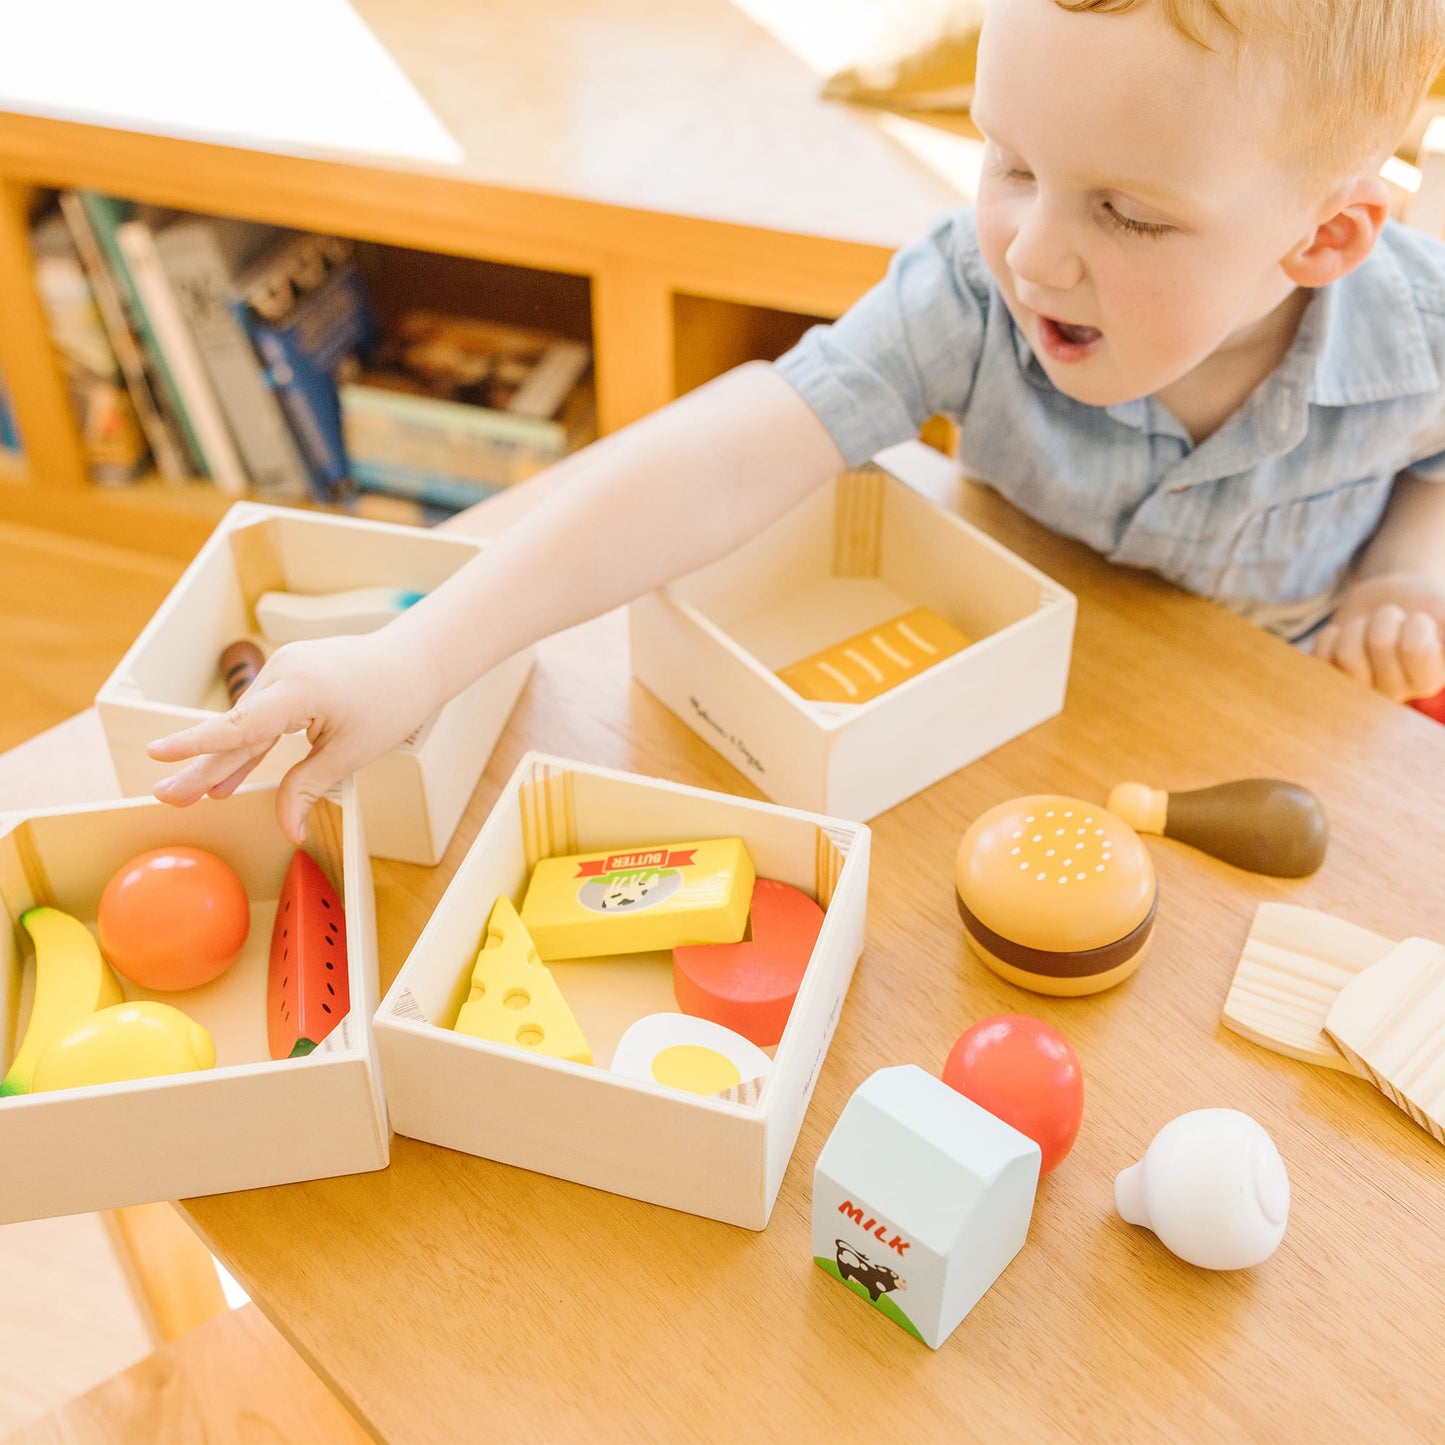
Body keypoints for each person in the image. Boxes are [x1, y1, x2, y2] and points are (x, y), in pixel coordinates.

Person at [149, 0, 1445, 845]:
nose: (1034, 254)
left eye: (1128, 213)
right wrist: (414, 661)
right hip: (1019, 726)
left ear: (1322, 236)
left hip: (1281, 734)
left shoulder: (1418, 335)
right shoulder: (964, 292)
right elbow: (723, 452)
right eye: (1007, 161)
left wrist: (1406, 568)